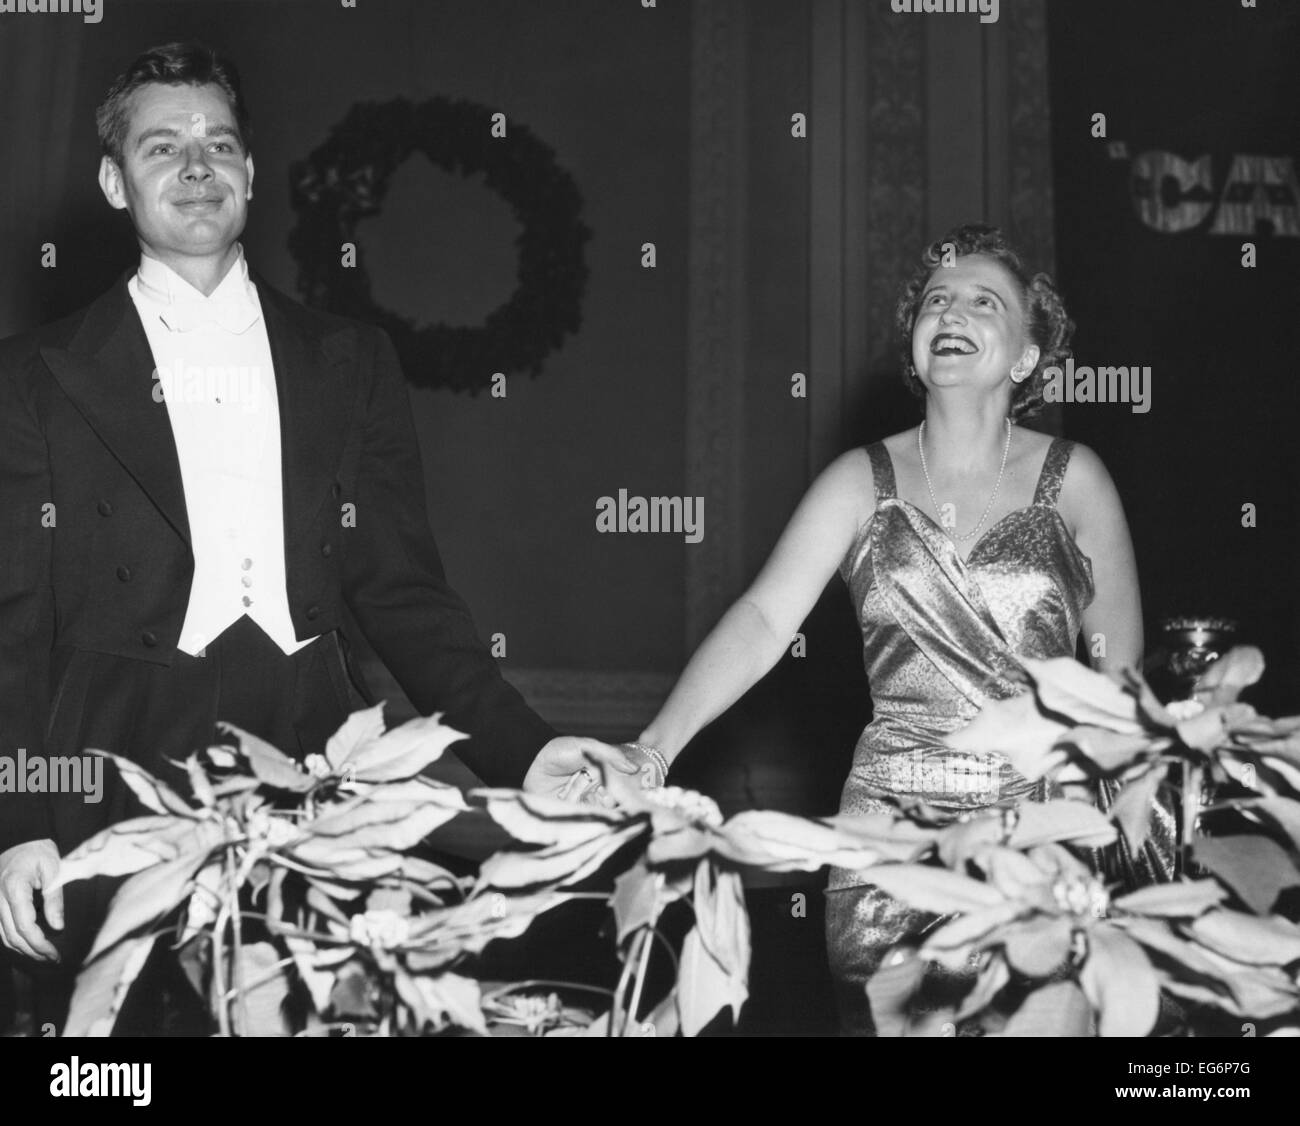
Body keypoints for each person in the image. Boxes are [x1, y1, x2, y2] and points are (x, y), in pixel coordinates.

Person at [0, 42, 633, 1016]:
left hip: (310, 770)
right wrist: (15, 820)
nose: (197, 166)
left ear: (251, 172)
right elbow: (13, 622)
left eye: (219, 143)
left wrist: (525, 749)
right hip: (107, 782)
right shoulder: (36, 375)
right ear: (114, 183)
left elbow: (403, 595)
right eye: (162, 147)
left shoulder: (350, 360)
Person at [620, 224, 1174, 1034]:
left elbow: (1121, 679)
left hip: (1044, 837)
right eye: (936, 300)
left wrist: (1136, 833)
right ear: (916, 347)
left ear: (1025, 358)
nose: (951, 310)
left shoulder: (1077, 479)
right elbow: (765, 619)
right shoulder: (858, 480)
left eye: (985, 301)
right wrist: (654, 748)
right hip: (888, 845)